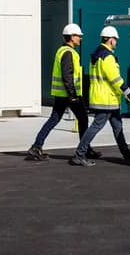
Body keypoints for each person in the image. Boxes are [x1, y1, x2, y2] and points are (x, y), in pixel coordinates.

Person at [70, 25, 130, 167]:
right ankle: (79, 154)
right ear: (111, 40)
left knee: (117, 126)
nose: (116, 42)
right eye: (115, 39)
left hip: (103, 97)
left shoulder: (96, 55)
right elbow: (115, 79)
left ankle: (126, 153)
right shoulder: (108, 57)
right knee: (97, 125)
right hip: (107, 99)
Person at [27, 23, 94, 161]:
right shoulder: (68, 53)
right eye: (78, 36)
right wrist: (73, 95)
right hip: (69, 95)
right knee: (83, 119)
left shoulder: (62, 50)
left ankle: (36, 146)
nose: (80, 38)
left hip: (62, 95)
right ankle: (85, 149)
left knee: (54, 119)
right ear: (71, 37)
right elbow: (67, 75)